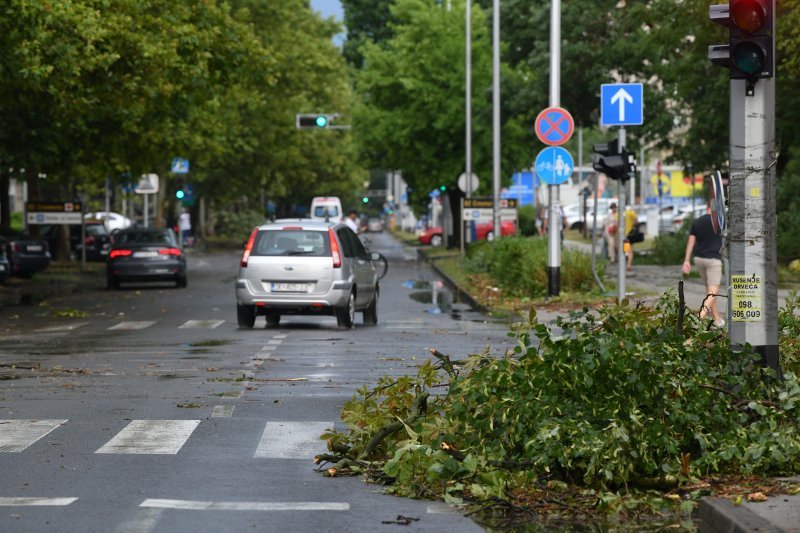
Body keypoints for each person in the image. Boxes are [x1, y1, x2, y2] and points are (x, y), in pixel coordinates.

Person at [682, 204, 725, 327]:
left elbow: (691, 242)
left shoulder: (697, 222)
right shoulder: (720, 222)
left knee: (709, 291)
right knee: (713, 291)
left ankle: (717, 319)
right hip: (713, 260)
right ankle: (700, 317)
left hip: (699, 259)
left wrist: (686, 260)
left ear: (706, 207)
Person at [624, 205, 639, 271]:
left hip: (623, 235)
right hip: (630, 235)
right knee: (630, 250)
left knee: (626, 250)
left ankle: (626, 259)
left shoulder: (620, 213)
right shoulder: (632, 213)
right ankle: (629, 264)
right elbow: (636, 222)